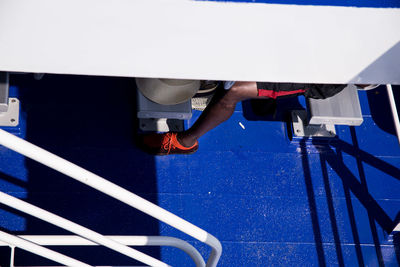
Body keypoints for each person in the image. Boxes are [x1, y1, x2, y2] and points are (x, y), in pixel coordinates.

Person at [139, 81, 359, 155]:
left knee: (234, 90)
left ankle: (185, 142)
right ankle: (263, 100)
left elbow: (368, 80)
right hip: (300, 45)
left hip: (314, 75)